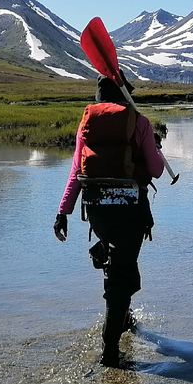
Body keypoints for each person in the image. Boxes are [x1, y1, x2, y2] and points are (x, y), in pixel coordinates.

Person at [54, 76, 166, 367]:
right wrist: (154, 146)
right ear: (124, 94)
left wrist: (62, 212)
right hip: (131, 209)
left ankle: (124, 318)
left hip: (97, 212)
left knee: (118, 263)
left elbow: (75, 169)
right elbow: (155, 171)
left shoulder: (86, 124)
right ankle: (110, 350)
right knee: (122, 274)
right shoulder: (139, 121)